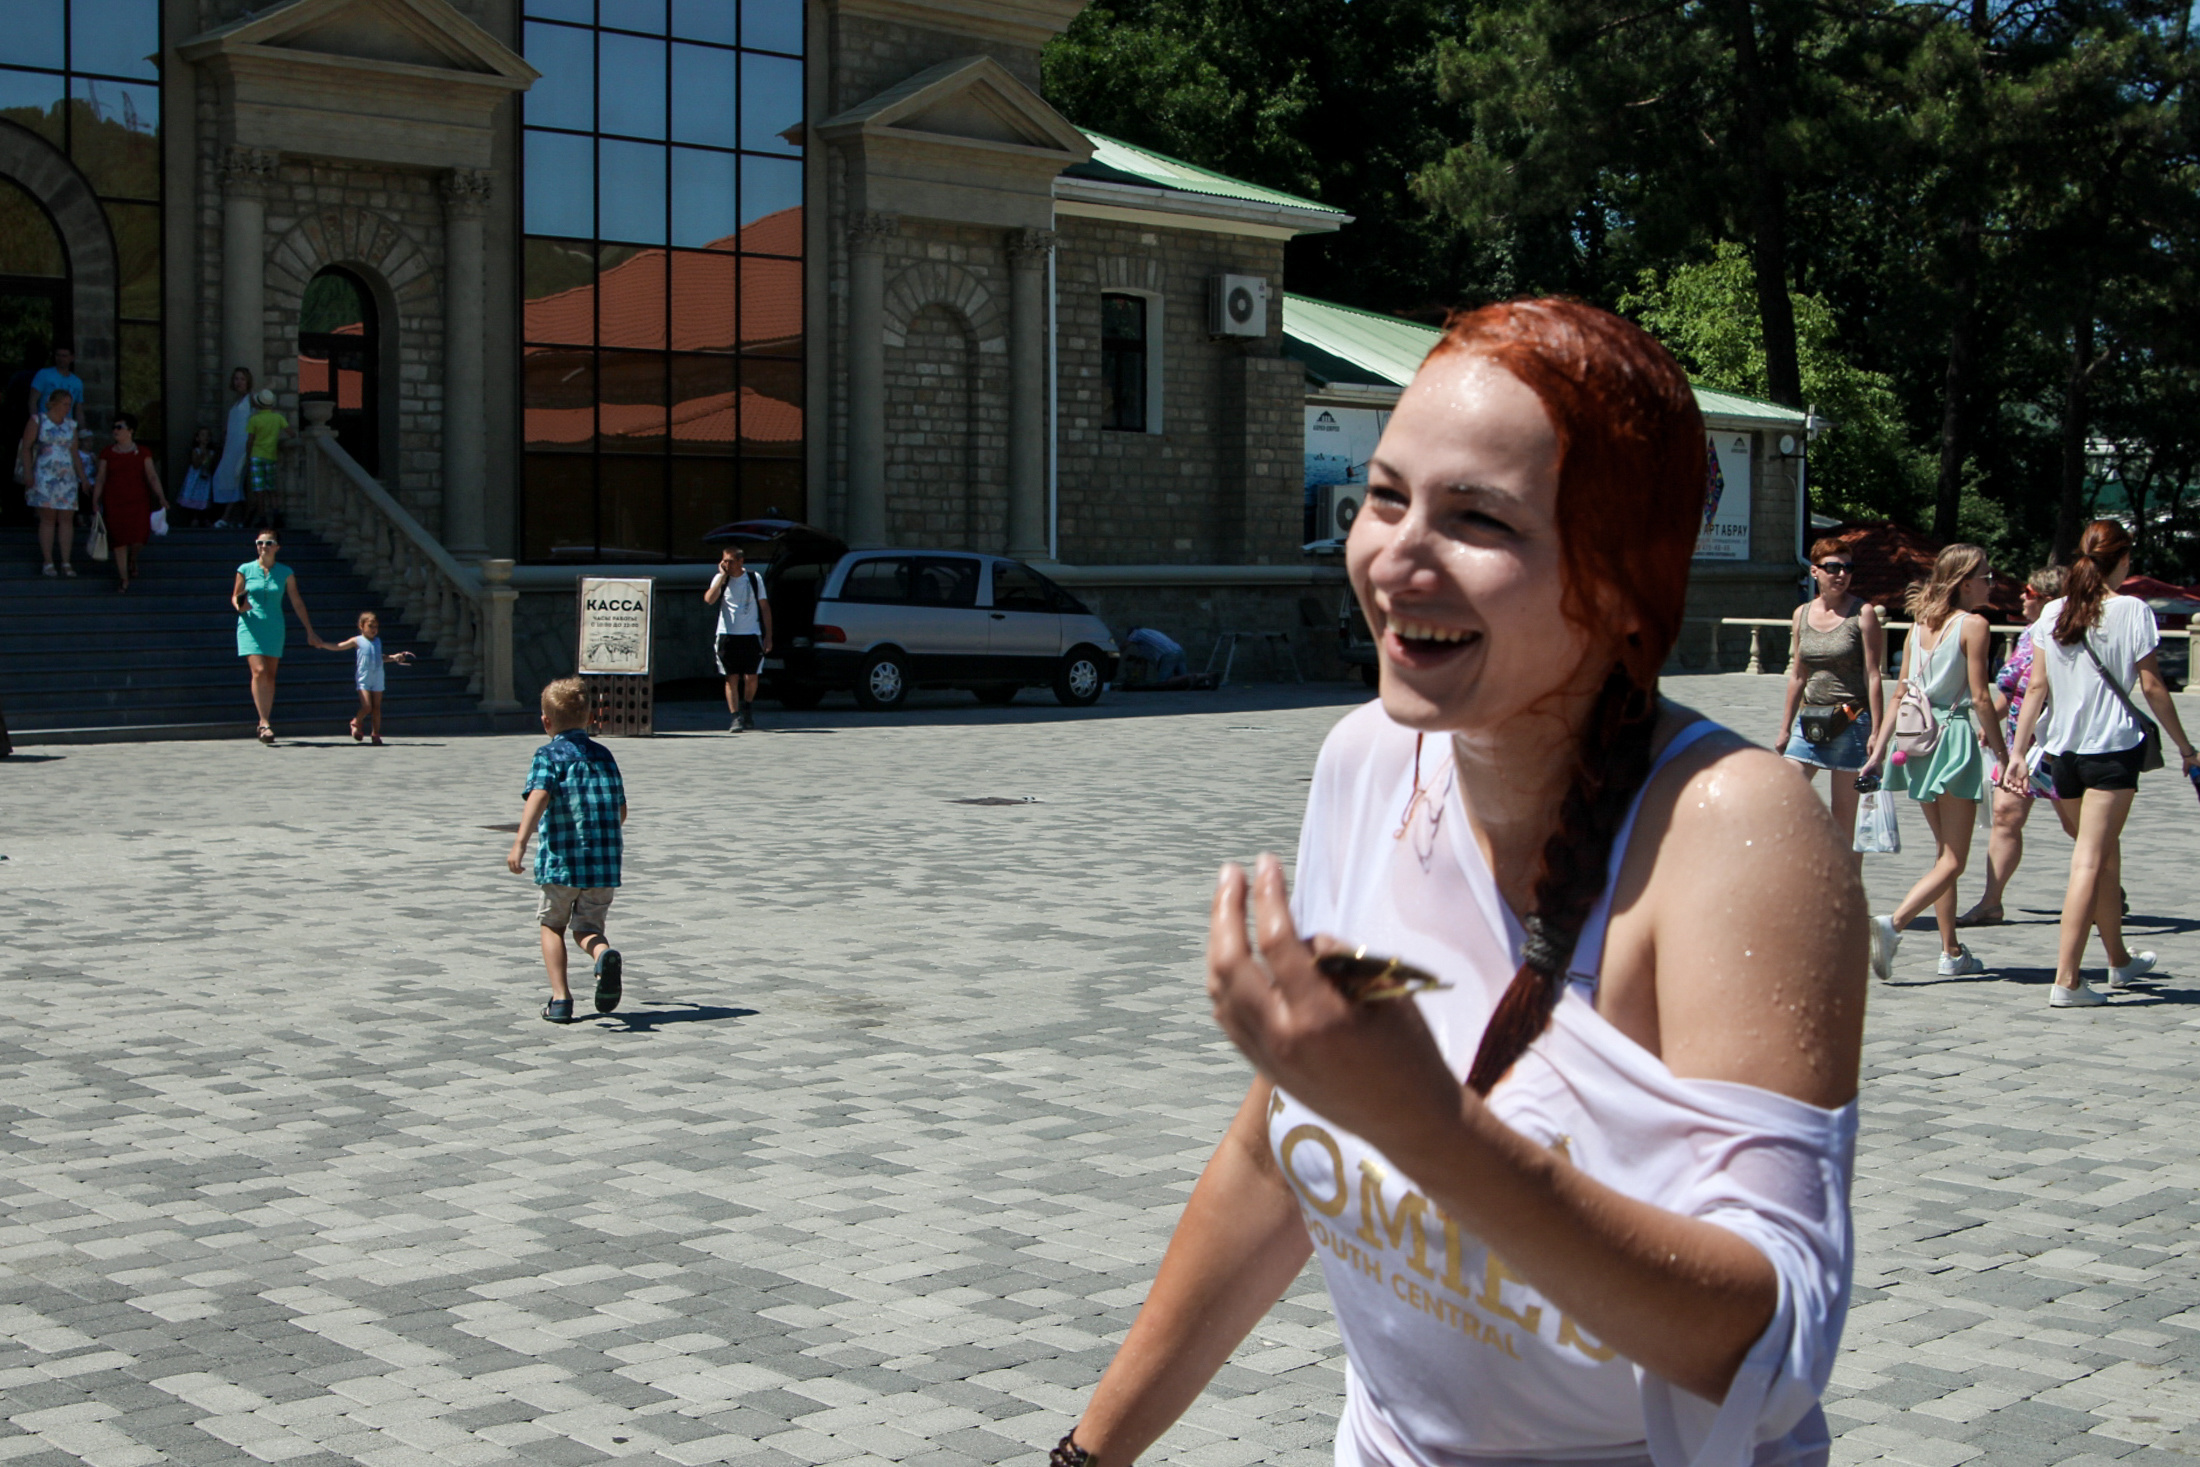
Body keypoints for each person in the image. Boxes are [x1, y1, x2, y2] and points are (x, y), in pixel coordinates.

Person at [1062, 300, 1864, 1467]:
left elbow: (1772, 1343)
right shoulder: (1367, 762)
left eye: (1477, 517)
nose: (1395, 556)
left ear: (1623, 578)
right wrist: (1087, 1455)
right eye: (1384, 497)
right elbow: (1272, 1151)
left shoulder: (1732, 827)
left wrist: (1431, 1128)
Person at [2006, 520, 2200, 1007]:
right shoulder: (2133, 610)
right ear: (2122, 560)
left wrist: (2017, 751)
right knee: (2090, 859)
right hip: (2112, 751)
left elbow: (2036, 687)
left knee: (2102, 852)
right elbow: (2152, 686)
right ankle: (2068, 979)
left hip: (2062, 753)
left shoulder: (2053, 610)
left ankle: (2117, 959)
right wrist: (2185, 746)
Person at [1867, 546, 2007, 981]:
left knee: (1943, 852)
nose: (1991, 580)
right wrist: (2004, 754)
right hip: (1953, 739)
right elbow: (1982, 697)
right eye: (1985, 574)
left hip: (1916, 743)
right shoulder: (1974, 625)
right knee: (1954, 860)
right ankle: (1894, 924)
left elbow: (1898, 693)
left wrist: (1877, 753)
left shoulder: (1917, 628)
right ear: (1965, 581)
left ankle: (1950, 950)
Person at [1957, 566, 2077, 927]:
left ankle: (2106, 883)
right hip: (2017, 744)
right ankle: (1991, 902)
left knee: (2078, 827)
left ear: (2048, 599)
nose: (2022, 597)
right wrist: (1989, 726)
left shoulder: (2069, 637)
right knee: (2006, 816)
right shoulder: (2028, 635)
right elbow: (2011, 693)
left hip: (2057, 742)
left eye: (2029, 592)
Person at [507, 676, 627, 1024]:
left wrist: (520, 841)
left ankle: (561, 1000)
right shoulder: (605, 756)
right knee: (588, 928)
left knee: (553, 925)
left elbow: (539, 795)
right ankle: (602, 954)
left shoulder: (548, 756)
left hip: (561, 863)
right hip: (603, 866)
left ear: (546, 721)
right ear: (591, 717)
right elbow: (621, 810)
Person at [1776, 537, 1887, 863]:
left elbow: (1874, 675)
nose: (1841, 574)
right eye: (1833, 567)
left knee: (1844, 819)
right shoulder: (1802, 614)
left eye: (1847, 568)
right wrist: (1785, 728)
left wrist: (1877, 733)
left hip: (1851, 720)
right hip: (1809, 720)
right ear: (1815, 571)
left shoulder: (1862, 613)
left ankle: (1849, 899)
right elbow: (1798, 674)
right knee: (1785, 794)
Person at [230, 530, 329, 745]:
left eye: (268, 543)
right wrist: (241, 605)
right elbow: (235, 596)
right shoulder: (245, 569)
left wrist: (309, 630)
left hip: (274, 627)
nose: (263, 546)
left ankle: (266, 719)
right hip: (250, 625)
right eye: (260, 543)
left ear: (277, 547)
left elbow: (296, 601)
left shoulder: (285, 572)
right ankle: (264, 722)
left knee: (271, 675)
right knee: (259, 671)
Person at [18, 388, 91, 577]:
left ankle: (66, 562)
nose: (68, 408)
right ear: (54, 403)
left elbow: (75, 453)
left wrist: (83, 478)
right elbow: (26, 448)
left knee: (67, 519)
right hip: (44, 475)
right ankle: (48, 561)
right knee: (48, 519)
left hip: (66, 477)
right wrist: (28, 473)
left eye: (70, 405)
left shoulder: (71, 425)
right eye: (65, 404)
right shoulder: (38, 421)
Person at [92, 412, 168, 593]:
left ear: (130, 431)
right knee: (118, 539)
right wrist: (95, 501)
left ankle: (132, 558)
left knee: (139, 537)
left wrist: (161, 497)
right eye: (114, 427)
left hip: (138, 502)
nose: (115, 431)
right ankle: (123, 577)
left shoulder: (143, 452)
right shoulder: (107, 453)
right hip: (114, 502)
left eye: (120, 427)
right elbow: (101, 478)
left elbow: (152, 476)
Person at [704, 544, 772, 731]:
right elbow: (709, 599)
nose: (726, 564)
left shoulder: (753, 578)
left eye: (730, 561)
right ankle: (735, 717)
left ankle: (747, 706)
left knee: (751, 677)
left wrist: (769, 636)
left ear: (740, 561)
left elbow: (765, 607)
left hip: (751, 633)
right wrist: (722, 577)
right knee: (731, 677)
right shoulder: (720, 579)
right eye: (724, 560)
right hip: (727, 634)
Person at [328, 610, 415, 745]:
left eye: (376, 627)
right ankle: (356, 722)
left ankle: (376, 734)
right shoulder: (357, 640)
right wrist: (322, 644)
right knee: (367, 706)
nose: (374, 630)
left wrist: (393, 657)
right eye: (370, 626)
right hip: (364, 677)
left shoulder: (377, 641)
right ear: (361, 626)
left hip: (378, 676)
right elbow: (339, 646)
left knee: (376, 707)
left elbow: (380, 657)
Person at [210, 367, 254, 528]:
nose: (239, 382)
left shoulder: (251, 400)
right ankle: (239, 517)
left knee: (237, 479)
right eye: (236, 379)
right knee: (224, 478)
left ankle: (227, 517)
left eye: (242, 379)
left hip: (242, 447)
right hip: (231, 447)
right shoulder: (235, 402)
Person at [243, 388, 291, 529]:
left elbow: (250, 440)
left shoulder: (254, 419)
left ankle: (262, 517)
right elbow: (291, 433)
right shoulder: (278, 418)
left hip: (257, 456)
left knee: (259, 491)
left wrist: (247, 455)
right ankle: (276, 516)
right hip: (271, 456)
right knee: (272, 488)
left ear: (258, 404)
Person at [29, 345, 84, 418]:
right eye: (58, 355)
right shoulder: (43, 374)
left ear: (72, 358)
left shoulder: (77, 382)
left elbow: (78, 410)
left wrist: (83, 428)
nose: (61, 359)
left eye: (64, 356)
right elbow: (32, 401)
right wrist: (36, 423)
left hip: (66, 425)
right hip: (46, 423)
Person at [176, 426, 217, 526]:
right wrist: (202, 455)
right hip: (195, 476)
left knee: (205, 495)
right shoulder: (196, 451)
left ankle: (205, 517)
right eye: (203, 435)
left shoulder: (212, 452)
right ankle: (195, 517)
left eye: (208, 435)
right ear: (197, 438)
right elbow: (195, 464)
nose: (205, 437)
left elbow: (211, 465)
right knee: (194, 494)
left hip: (206, 476)